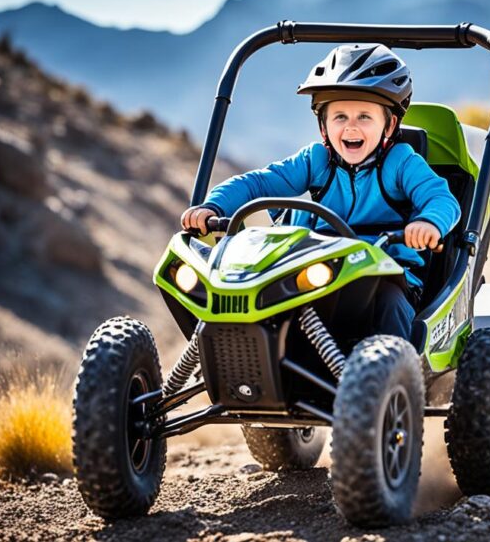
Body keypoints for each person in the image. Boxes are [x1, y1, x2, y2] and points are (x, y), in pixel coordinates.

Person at [180, 44, 461, 340]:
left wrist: (428, 222)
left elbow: (441, 198)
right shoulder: (316, 161)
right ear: (323, 126)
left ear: (389, 124)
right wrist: (214, 207)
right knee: (265, 295)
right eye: (340, 116)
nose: (351, 127)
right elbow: (258, 183)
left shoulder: (401, 162)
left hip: (385, 273)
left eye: (364, 116)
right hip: (318, 269)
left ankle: (395, 378)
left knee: (389, 304)